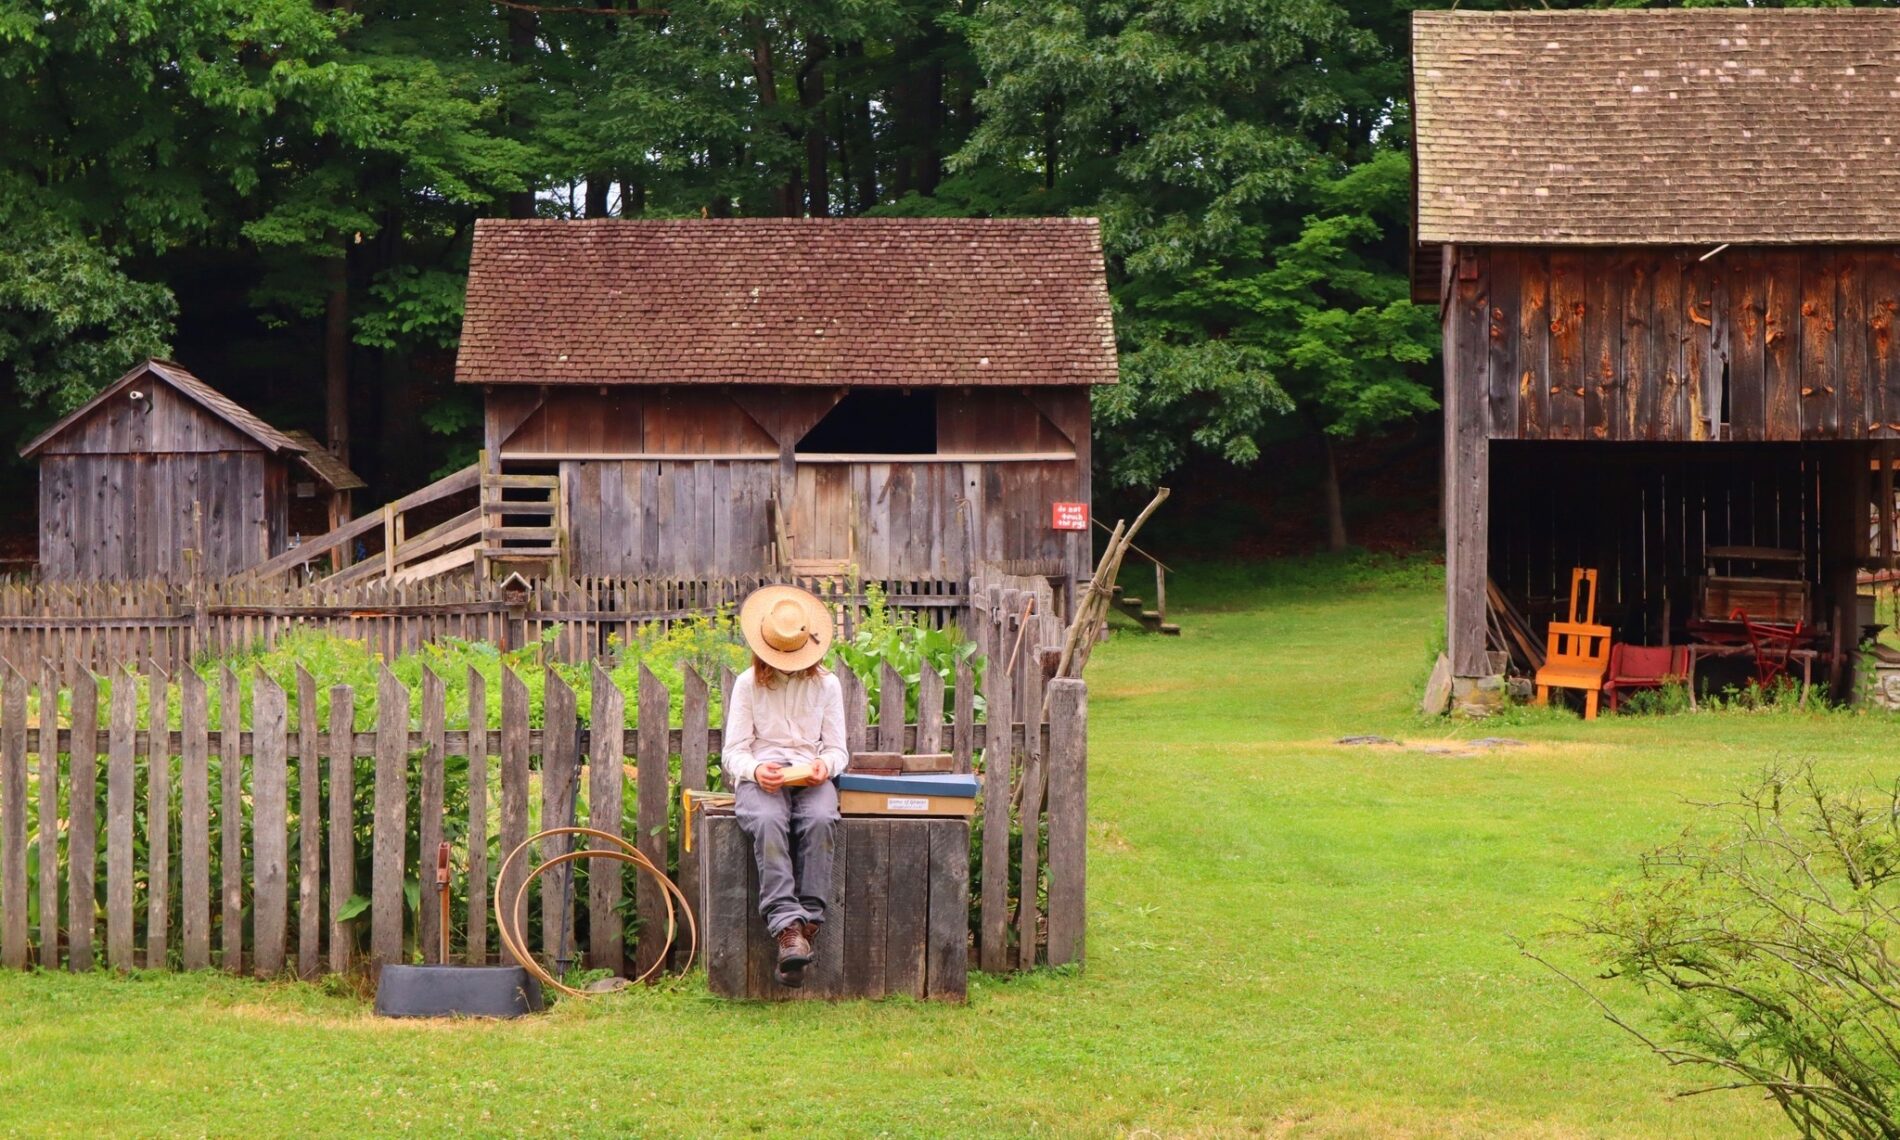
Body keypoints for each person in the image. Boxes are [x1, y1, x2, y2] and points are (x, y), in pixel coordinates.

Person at [721, 585, 849, 987]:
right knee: (767, 819)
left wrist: (823, 767)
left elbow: (838, 749)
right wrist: (757, 771)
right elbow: (734, 752)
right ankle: (787, 929)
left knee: (822, 817)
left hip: (810, 775)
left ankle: (804, 929)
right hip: (763, 775)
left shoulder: (828, 685)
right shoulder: (748, 684)